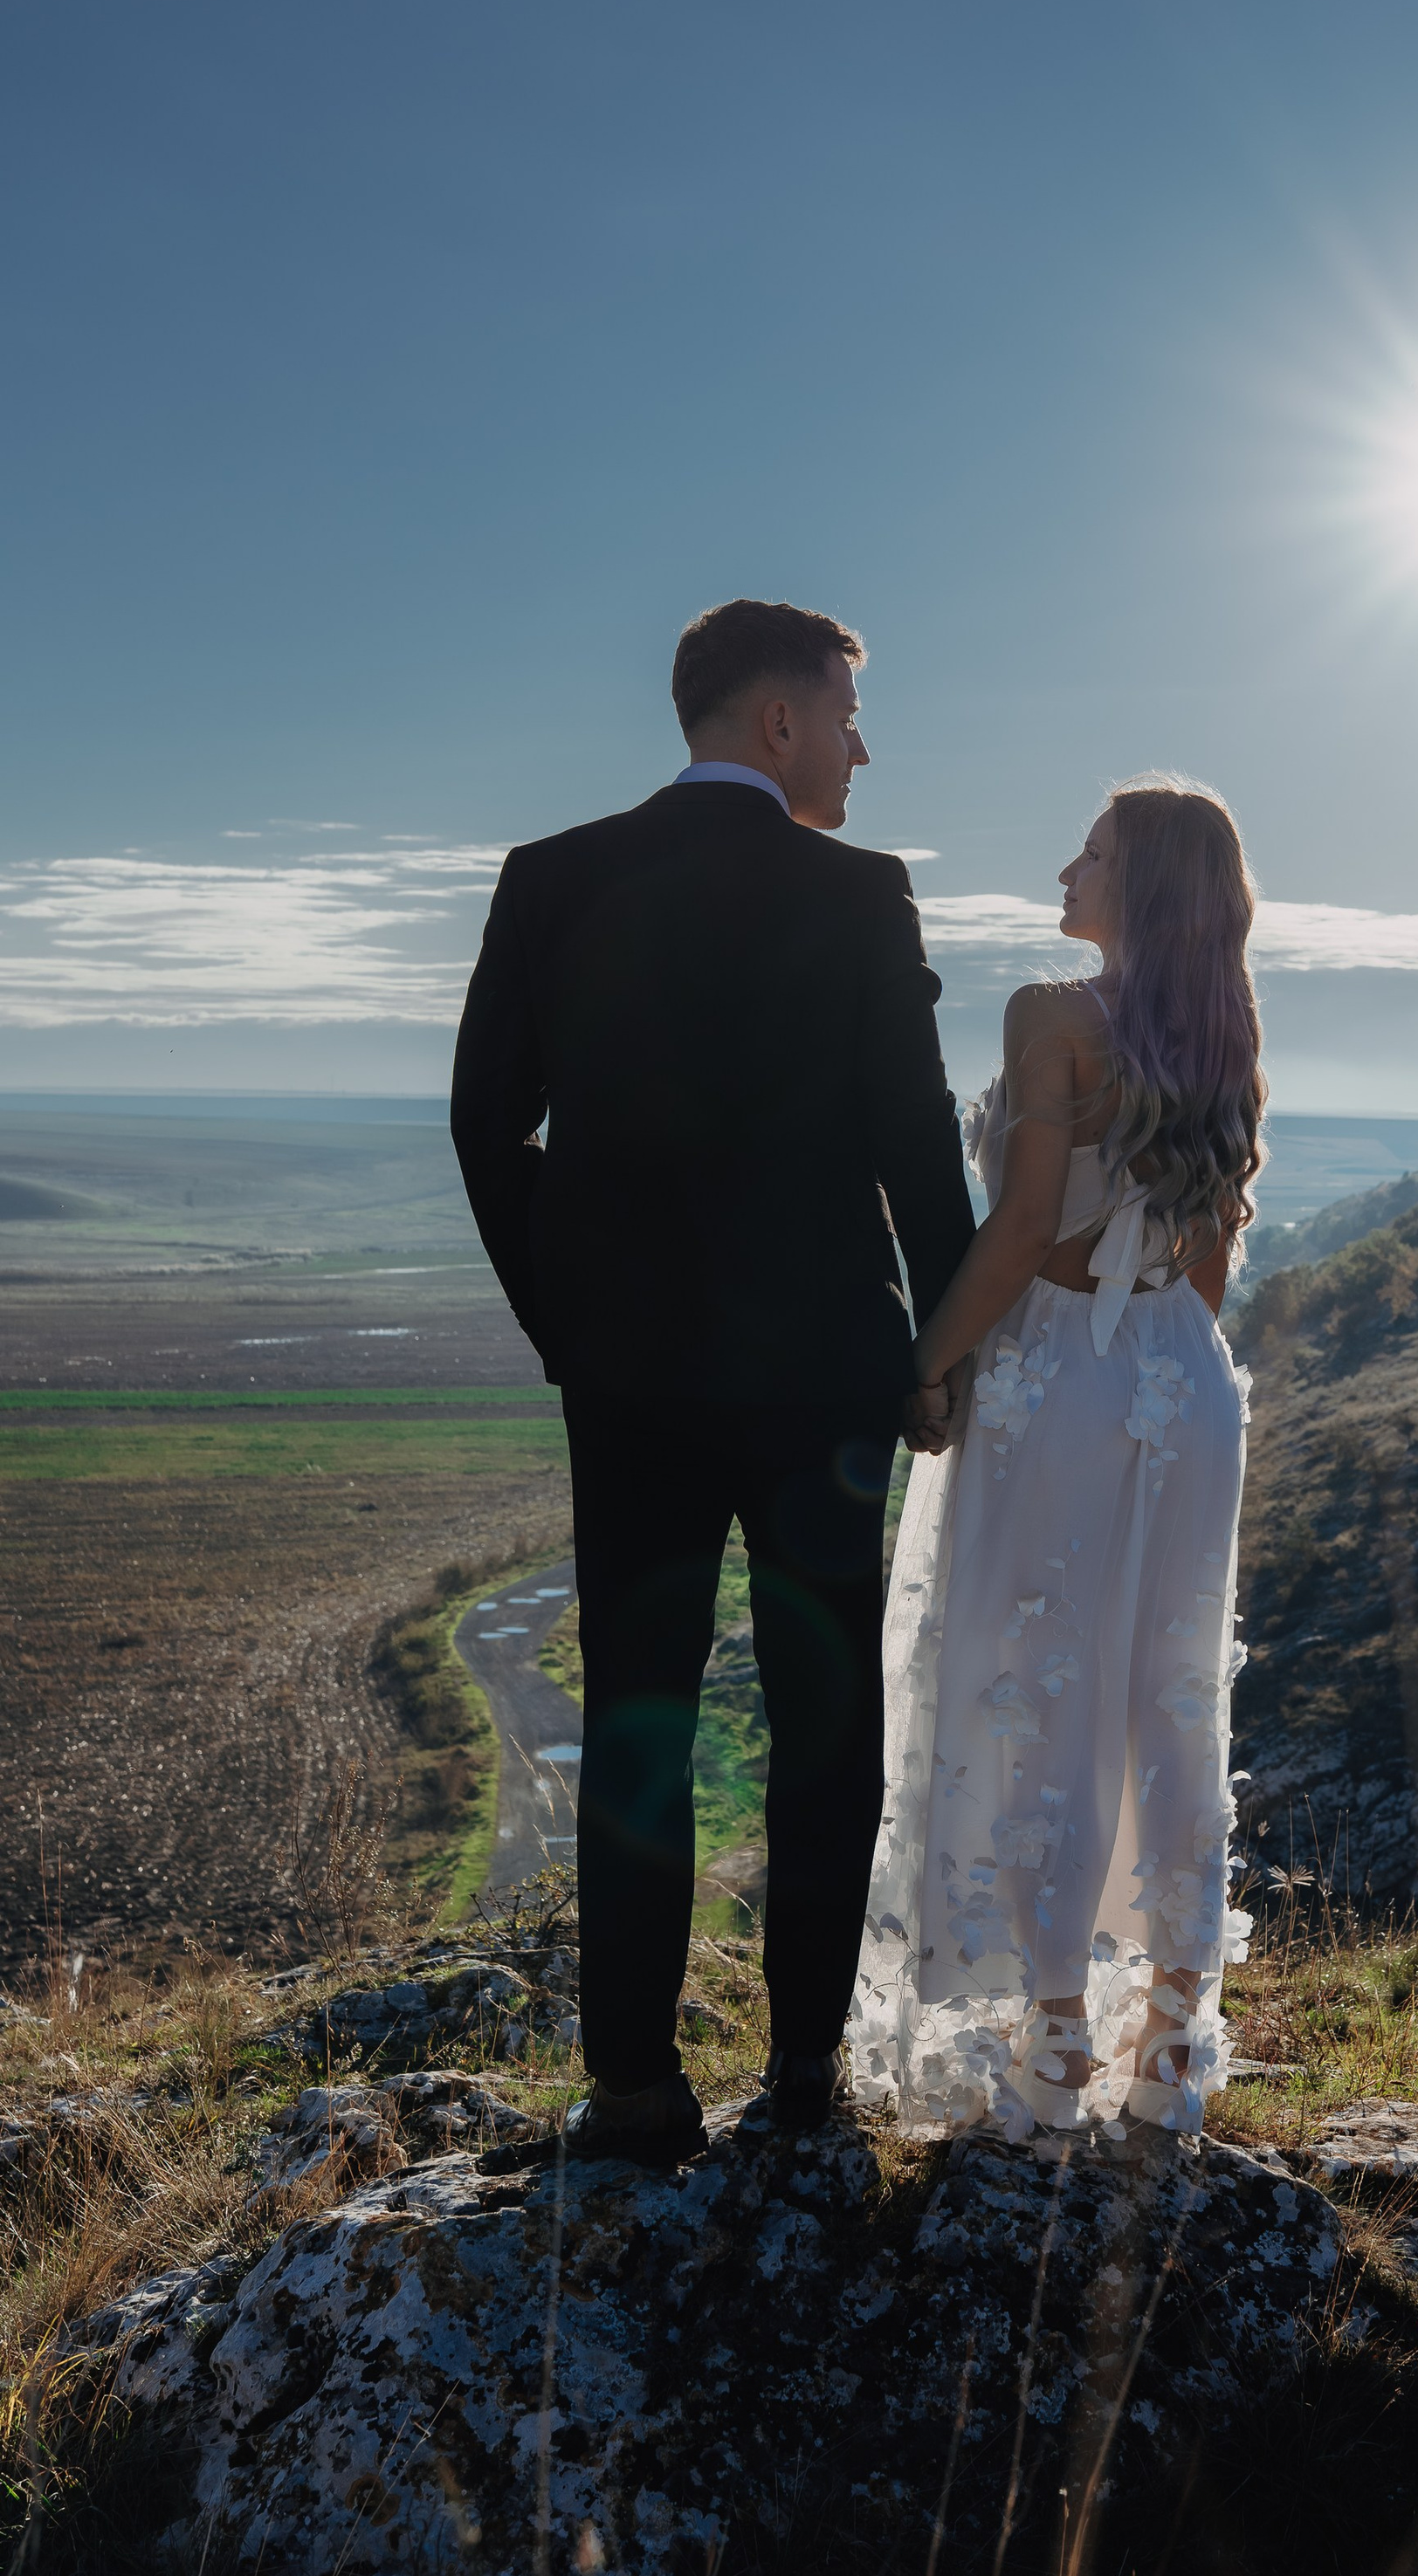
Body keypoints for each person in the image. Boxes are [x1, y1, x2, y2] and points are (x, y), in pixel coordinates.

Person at [451, 599, 976, 2160]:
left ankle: (633, 2089)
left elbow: (490, 1131)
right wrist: (941, 1349)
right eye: (849, 716)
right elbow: (913, 1145)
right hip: (823, 1383)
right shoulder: (864, 895)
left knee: (635, 1718)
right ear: (778, 724)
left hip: (632, 1388)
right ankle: (803, 2081)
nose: (864, 749)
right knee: (824, 1724)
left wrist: (570, 1326)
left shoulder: (552, 881)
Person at [848, 780, 1263, 2140]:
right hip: (1182, 1381)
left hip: (1060, 1376)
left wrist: (928, 1363)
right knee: (1168, 1687)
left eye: (1090, 853)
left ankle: (1055, 2039)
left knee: (1035, 1683)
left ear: (1136, 887)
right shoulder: (1224, 1032)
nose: (1065, 869)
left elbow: (1024, 1227)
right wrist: (1152, 1369)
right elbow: (1206, 1267)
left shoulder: (1049, 1017)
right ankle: (1172, 2048)